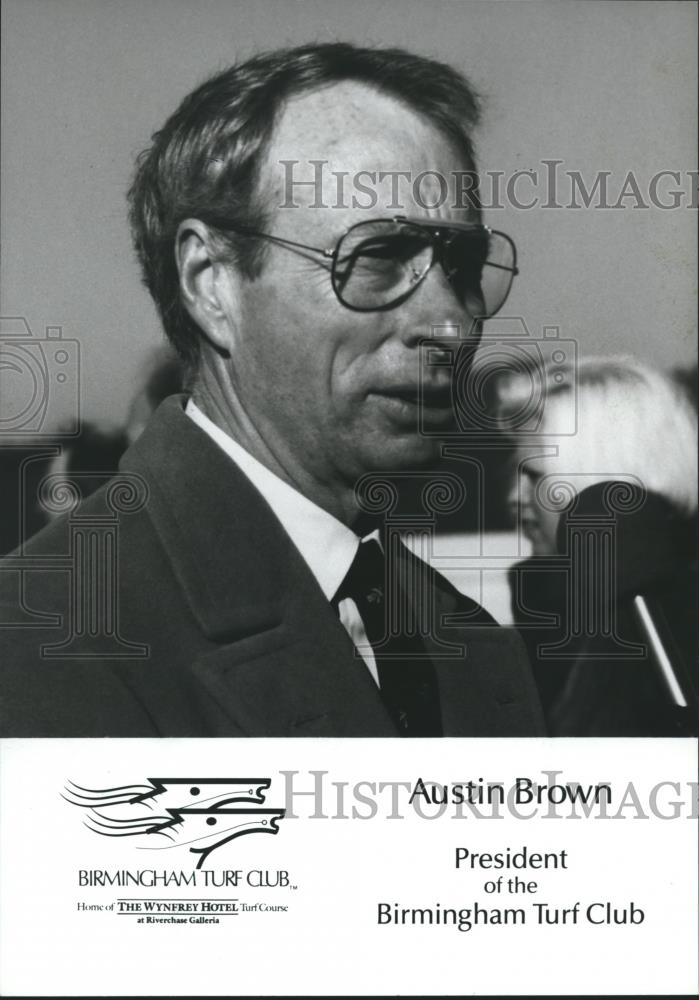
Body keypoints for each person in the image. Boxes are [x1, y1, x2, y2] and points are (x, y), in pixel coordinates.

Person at [0, 42, 543, 737]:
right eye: (377, 256)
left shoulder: (464, 638)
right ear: (210, 282)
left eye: (460, 263)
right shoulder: (42, 634)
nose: (447, 323)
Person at [502, 356, 698, 734]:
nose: (515, 497)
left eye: (535, 477)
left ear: (602, 476)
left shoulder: (661, 638)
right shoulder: (551, 618)